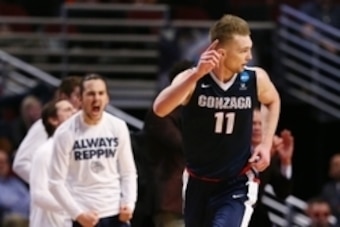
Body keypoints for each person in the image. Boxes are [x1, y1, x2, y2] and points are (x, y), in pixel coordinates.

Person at [152, 14, 281, 227]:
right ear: (221, 53)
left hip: (237, 181)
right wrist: (195, 74)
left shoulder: (254, 78)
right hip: (197, 181)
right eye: (243, 51)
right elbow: (160, 108)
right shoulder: (191, 79)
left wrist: (265, 145)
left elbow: (273, 100)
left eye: (249, 48)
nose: (249, 56)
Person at [48, 74, 137, 227]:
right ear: (80, 100)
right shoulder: (65, 132)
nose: (96, 98)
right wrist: (78, 214)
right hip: (85, 215)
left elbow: (128, 172)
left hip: (116, 213)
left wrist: (129, 203)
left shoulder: (118, 126)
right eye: (90, 94)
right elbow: (55, 183)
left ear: (107, 98)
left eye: (101, 93)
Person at [144, 60, 194, 227]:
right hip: (171, 200)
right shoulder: (161, 112)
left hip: (195, 200)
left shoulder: (191, 112)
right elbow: (186, 146)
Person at [12, 75, 82, 183]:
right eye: (78, 96)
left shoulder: (84, 126)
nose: (82, 101)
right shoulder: (44, 125)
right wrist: (47, 185)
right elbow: (21, 163)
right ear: (64, 96)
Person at [29, 99, 76, 226]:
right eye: (68, 110)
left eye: (73, 109)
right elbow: (39, 195)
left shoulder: (75, 149)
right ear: (53, 120)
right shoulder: (44, 152)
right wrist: (74, 208)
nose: (75, 112)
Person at [248, 107, 294, 227]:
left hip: (256, 217)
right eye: (253, 123)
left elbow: (282, 193)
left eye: (261, 124)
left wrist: (285, 161)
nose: (257, 127)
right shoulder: (232, 150)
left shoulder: (270, 154)